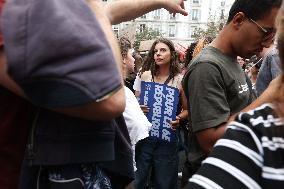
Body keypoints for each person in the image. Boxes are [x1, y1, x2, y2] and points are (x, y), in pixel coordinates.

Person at [1, 0, 188, 189]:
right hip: (25, 172)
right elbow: (110, 99)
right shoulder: (11, 11)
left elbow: (108, 12)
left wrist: (160, 1)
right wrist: (96, 10)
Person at [186, 1, 284, 188]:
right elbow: (210, 141)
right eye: (266, 32)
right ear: (239, 20)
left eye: (274, 35)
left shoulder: (231, 60)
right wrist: (270, 95)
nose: (268, 42)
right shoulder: (207, 66)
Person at [135, 38, 188, 189]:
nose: (158, 54)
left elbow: (187, 110)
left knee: (164, 183)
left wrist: (179, 118)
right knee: (138, 180)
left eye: (163, 50)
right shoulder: (144, 76)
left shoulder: (179, 80)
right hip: (144, 137)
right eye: (156, 51)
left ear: (172, 54)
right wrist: (139, 107)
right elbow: (135, 103)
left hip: (167, 140)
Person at [118, 36, 152, 172]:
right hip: (124, 160)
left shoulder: (124, 90)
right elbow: (137, 127)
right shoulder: (120, 91)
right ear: (123, 58)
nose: (134, 59)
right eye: (131, 55)